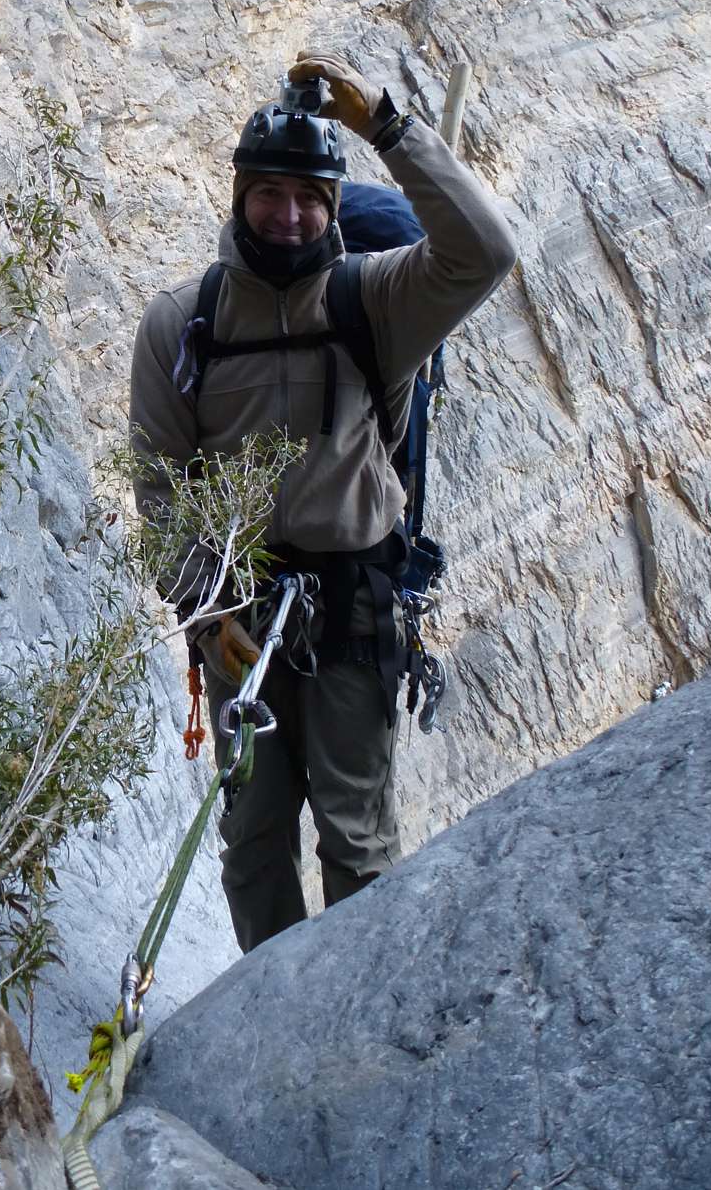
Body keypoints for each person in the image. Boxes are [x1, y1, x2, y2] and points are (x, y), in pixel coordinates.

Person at [128, 52, 518, 952]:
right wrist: (206, 611)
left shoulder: (377, 300)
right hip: (238, 611)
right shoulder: (182, 323)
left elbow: (485, 250)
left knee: (355, 841)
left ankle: (358, 1008)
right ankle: (270, 1013)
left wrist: (385, 124)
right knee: (252, 846)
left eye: (310, 196)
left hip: (351, 604)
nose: (289, 213)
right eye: (269, 192)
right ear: (238, 195)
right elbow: (161, 484)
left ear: (335, 206)